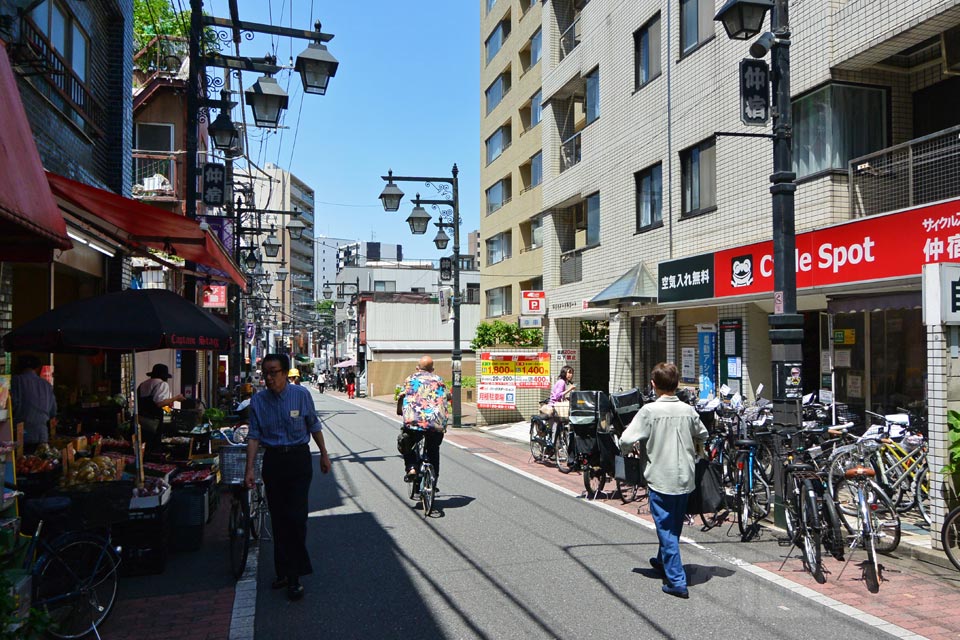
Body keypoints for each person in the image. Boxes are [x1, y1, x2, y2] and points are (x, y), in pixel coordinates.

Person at [245, 353, 331, 601]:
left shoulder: (301, 394)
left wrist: (324, 454)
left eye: (274, 372)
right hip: (273, 461)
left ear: (285, 373)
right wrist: (250, 468)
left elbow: (314, 425)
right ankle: (284, 571)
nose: (269, 378)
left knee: (296, 517)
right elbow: (253, 435)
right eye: (266, 373)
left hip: (298, 459)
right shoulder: (258, 401)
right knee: (279, 518)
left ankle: (294, 576)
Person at [619, 362, 708, 599]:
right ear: (677, 384)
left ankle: (677, 580)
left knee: (666, 529)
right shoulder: (688, 410)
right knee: (674, 523)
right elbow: (703, 434)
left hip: (660, 477)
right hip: (685, 478)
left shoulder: (649, 411)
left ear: (653, 385)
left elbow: (626, 439)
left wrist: (628, 450)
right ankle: (662, 560)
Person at [396, 356, 450, 488]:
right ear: (432, 369)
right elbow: (447, 396)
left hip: (414, 422)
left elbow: (402, 396)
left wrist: (400, 409)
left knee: (406, 441)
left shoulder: (411, 379)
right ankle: (432, 481)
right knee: (433, 451)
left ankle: (412, 468)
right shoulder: (439, 380)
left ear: (417, 368)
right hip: (435, 424)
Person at [10, 355, 57, 446]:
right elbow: (53, 412)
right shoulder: (46, 385)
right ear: (38, 368)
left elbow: (13, 405)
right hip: (42, 435)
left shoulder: (17, 381)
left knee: (22, 459)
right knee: (40, 459)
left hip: (22, 435)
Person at [137, 364, 184, 447]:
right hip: (154, 423)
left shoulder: (143, 384)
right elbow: (160, 403)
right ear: (164, 376)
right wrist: (176, 398)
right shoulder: (162, 384)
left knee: (144, 446)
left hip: (141, 421)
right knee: (154, 445)